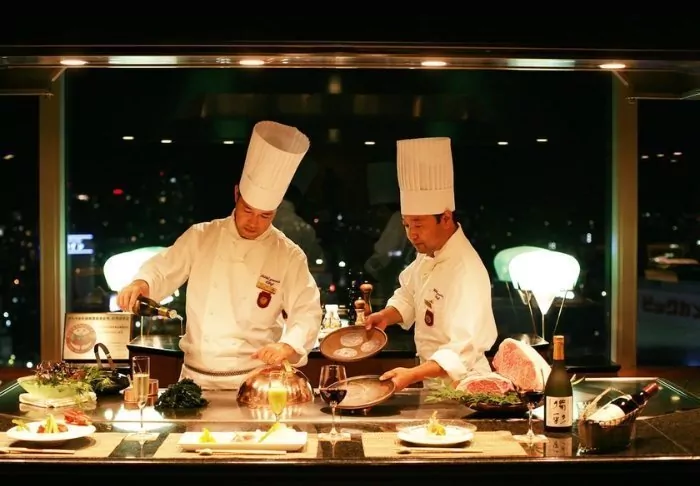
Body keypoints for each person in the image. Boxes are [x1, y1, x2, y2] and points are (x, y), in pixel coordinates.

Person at [117, 121, 323, 390]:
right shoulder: (201, 236)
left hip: (255, 381)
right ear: (236, 194)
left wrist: (288, 345)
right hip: (195, 380)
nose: (254, 222)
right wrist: (141, 283)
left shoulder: (288, 254)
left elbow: (307, 310)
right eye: (248, 210)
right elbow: (163, 268)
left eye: (265, 216)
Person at [364, 137, 498, 391]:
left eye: (418, 225)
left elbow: (462, 349)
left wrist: (412, 374)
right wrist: (385, 316)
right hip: (434, 384)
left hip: (466, 388)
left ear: (445, 218)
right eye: (406, 225)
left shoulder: (466, 271)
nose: (411, 234)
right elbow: (409, 294)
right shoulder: (429, 253)